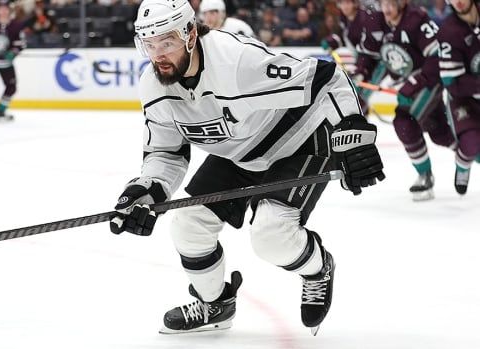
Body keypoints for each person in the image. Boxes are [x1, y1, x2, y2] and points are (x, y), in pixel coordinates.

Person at [109, 0, 385, 335]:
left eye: (166, 42)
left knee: (271, 236)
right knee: (188, 225)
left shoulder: (236, 61)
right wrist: (147, 189)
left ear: (191, 34)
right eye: (149, 45)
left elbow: (327, 78)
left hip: (297, 141)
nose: (158, 55)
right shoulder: (153, 87)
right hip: (239, 154)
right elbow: (166, 154)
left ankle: (318, 268)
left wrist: (354, 133)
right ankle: (216, 304)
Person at [355, 0, 456, 201]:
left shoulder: (417, 20)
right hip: (411, 84)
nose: (387, 9)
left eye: (391, 4)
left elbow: (439, 55)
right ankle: (472, 148)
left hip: (429, 82)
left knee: (404, 122)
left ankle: (425, 176)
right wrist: (360, 72)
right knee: (440, 134)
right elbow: (369, 55)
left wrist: (416, 81)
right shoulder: (376, 21)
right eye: (383, 4)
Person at [437, 0, 480, 194]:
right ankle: (463, 166)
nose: (459, 1)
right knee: (471, 144)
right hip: (464, 100)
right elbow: (452, 84)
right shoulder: (449, 31)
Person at [322, 0, 382, 115]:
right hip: (362, 62)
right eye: (342, 3)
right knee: (355, 94)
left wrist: (361, 70)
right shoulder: (345, 19)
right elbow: (342, 37)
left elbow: (369, 49)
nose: (344, 6)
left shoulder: (365, 19)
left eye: (347, 3)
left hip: (375, 63)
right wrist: (331, 41)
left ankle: (361, 120)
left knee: (359, 94)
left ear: (354, 4)